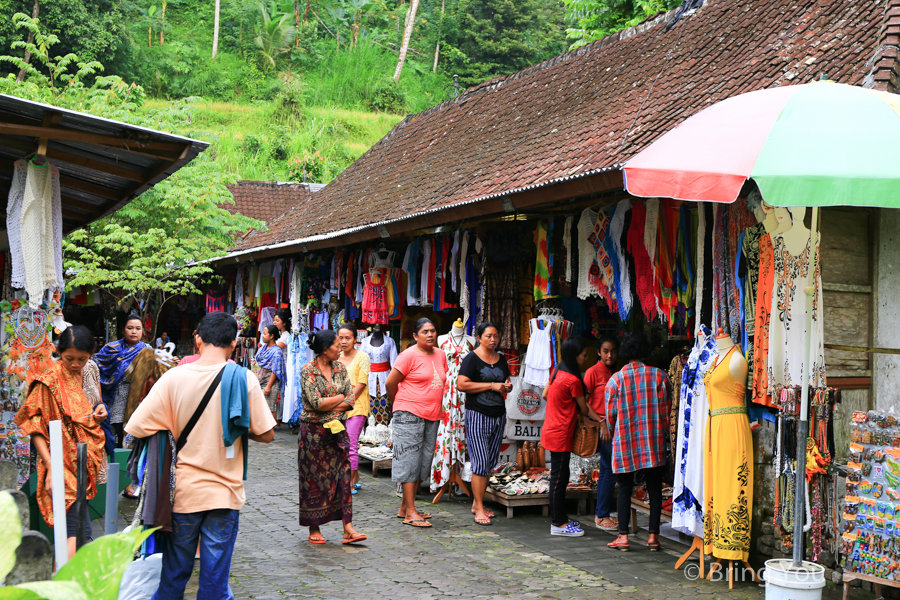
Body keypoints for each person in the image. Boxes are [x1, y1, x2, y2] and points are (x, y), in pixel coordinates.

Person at [125, 312, 276, 600]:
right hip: (224, 494)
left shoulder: (174, 378)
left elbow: (136, 427)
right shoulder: (244, 378)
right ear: (233, 344)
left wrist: (172, 425)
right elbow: (267, 433)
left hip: (184, 494)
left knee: (172, 581)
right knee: (214, 586)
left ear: (197, 339)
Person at [15, 326, 106, 558]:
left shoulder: (91, 370)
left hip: (85, 458)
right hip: (60, 459)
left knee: (79, 526)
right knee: (77, 527)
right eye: (69, 358)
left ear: (91, 355)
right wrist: (50, 466)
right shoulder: (48, 380)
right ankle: (64, 578)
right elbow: (35, 428)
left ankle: (67, 579)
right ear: (58, 352)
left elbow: (96, 403)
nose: (75, 364)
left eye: (82, 359)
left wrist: (100, 410)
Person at [298, 329, 368, 545]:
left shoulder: (339, 368)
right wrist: (339, 399)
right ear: (325, 349)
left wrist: (334, 403)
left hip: (337, 430)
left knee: (343, 477)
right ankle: (314, 527)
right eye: (336, 345)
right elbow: (315, 403)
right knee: (314, 479)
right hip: (313, 434)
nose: (340, 349)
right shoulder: (308, 370)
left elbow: (350, 400)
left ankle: (348, 528)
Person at [605, 332, 671, 552]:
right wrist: (662, 435)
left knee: (624, 487)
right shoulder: (659, 376)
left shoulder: (615, 380)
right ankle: (653, 536)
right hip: (653, 441)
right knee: (654, 488)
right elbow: (666, 415)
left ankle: (623, 536)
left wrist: (618, 434)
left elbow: (611, 416)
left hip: (625, 441)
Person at [386, 318, 448, 528]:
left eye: (433, 331)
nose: (430, 335)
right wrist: (399, 404)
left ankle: (405, 506)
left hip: (432, 414)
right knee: (408, 459)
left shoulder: (440, 354)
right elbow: (390, 382)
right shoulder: (408, 355)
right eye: (425, 332)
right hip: (409, 412)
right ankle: (410, 512)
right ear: (415, 336)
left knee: (423, 460)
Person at [540, 337, 601, 537]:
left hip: (551, 429)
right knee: (559, 479)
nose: (585, 359)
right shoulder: (573, 380)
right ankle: (558, 523)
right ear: (574, 356)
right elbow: (584, 408)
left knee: (559, 477)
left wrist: (562, 405)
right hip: (561, 434)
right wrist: (600, 420)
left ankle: (561, 519)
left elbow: (545, 395)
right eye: (583, 356)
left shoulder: (557, 370)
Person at [457, 322, 512, 526]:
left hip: (498, 415)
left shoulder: (502, 358)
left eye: (496, 336)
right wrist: (491, 385)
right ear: (479, 338)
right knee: (480, 462)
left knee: (489, 463)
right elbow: (461, 384)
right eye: (488, 336)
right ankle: (478, 506)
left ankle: (477, 503)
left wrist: (506, 387)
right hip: (478, 415)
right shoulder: (472, 358)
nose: (493, 339)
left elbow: (504, 382)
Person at [94, 312, 149, 498]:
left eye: (138, 328)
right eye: (130, 328)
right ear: (123, 329)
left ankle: (129, 485)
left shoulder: (148, 351)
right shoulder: (111, 349)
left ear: (143, 331)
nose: (134, 332)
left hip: (138, 402)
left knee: (133, 443)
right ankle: (107, 482)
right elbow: (95, 368)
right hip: (113, 400)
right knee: (112, 440)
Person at [585, 335, 619, 531]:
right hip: (602, 428)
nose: (609, 355)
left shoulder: (616, 372)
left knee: (609, 470)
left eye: (613, 351)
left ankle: (603, 513)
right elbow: (585, 403)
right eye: (605, 351)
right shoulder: (592, 372)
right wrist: (601, 423)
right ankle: (602, 515)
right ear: (598, 352)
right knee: (609, 470)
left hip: (616, 428)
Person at [337, 325, 371, 495]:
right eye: (341, 338)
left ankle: (349, 483)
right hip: (338, 406)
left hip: (357, 406)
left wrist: (346, 401)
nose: (344, 341)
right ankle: (354, 477)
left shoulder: (362, 357)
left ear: (355, 339)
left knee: (350, 445)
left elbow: (361, 383)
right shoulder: (335, 358)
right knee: (339, 445)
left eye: (348, 338)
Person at [256, 324, 286, 424]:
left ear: (271, 336)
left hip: (270, 384)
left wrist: (268, 386)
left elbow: (275, 370)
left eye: (264, 334)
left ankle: (270, 432)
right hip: (260, 382)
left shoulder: (277, 352)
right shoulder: (263, 348)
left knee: (269, 408)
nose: (262, 336)